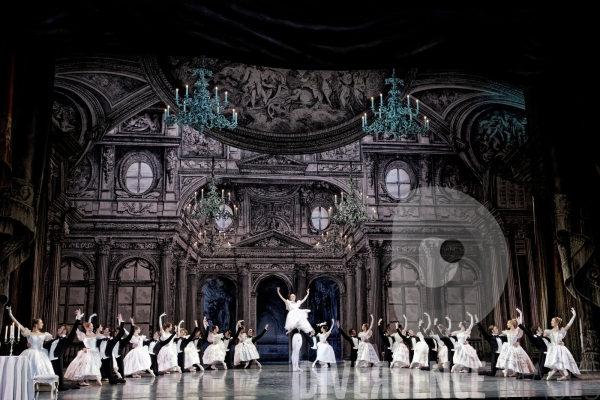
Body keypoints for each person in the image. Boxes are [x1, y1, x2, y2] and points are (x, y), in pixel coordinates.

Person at [6, 306, 56, 378]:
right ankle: (32, 383)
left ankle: (39, 383)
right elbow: (19, 325)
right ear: (36, 324)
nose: (42, 324)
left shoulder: (44, 334)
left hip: (42, 353)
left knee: (41, 366)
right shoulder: (28, 333)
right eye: (41, 323)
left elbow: (54, 342)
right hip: (31, 352)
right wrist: (11, 315)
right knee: (31, 367)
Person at [45, 309, 84, 391]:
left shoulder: (66, 341)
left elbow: (73, 332)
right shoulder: (53, 340)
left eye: (61, 328)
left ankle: (72, 385)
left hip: (57, 360)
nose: (58, 329)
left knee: (61, 387)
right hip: (49, 361)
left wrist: (78, 319)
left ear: (64, 331)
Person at [64, 313, 103, 386]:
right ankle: (83, 381)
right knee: (85, 365)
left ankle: (96, 378)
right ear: (87, 327)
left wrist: (91, 316)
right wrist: (77, 318)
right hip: (87, 352)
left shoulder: (95, 335)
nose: (92, 327)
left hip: (95, 352)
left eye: (92, 326)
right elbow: (76, 329)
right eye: (91, 326)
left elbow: (103, 337)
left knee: (94, 365)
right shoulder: (83, 335)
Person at [495, 309, 535, 377]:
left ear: (511, 324)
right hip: (508, 346)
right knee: (508, 358)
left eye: (508, 323)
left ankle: (514, 372)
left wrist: (520, 313)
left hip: (514, 347)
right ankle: (506, 370)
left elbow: (520, 324)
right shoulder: (507, 331)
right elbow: (499, 335)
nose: (507, 324)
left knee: (515, 360)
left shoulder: (516, 330)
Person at [544, 307, 581, 380]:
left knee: (561, 362)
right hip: (553, 348)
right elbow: (543, 336)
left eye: (553, 321)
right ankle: (562, 375)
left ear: (557, 322)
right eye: (551, 321)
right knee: (556, 362)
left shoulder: (562, 331)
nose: (551, 322)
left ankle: (557, 374)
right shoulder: (549, 331)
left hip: (561, 348)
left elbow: (569, 325)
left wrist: (574, 315)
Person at [517, 308, 550, 380]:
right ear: (537, 331)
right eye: (540, 329)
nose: (541, 329)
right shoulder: (534, 338)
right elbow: (526, 332)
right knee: (539, 376)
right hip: (543, 355)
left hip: (549, 354)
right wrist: (519, 324)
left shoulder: (544, 337)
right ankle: (524, 376)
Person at [99, 314, 128, 385]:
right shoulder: (99, 340)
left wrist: (121, 321)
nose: (104, 331)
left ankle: (121, 380)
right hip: (100, 359)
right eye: (104, 330)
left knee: (111, 380)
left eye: (105, 330)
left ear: (109, 332)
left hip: (108, 359)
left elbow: (121, 333)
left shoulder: (111, 341)